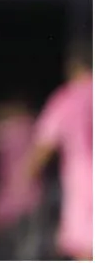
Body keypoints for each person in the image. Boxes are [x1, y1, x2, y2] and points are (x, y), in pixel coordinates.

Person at [26, 40, 93, 261]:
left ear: (73, 67)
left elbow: (44, 144)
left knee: (85, 249)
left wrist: (28, 175)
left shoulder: (66, 98)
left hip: (83, 182)